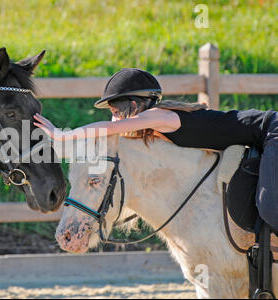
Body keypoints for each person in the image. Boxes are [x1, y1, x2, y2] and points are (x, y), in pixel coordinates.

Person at [33, 68, 277, 232]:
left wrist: (61, 134)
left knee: (269, 207)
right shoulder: (158, 126)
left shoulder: (159, 116)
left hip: (271, 131)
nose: (114, 119)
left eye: (117, 112)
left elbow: (106, 128)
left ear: (134, 105)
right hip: (261, 137)